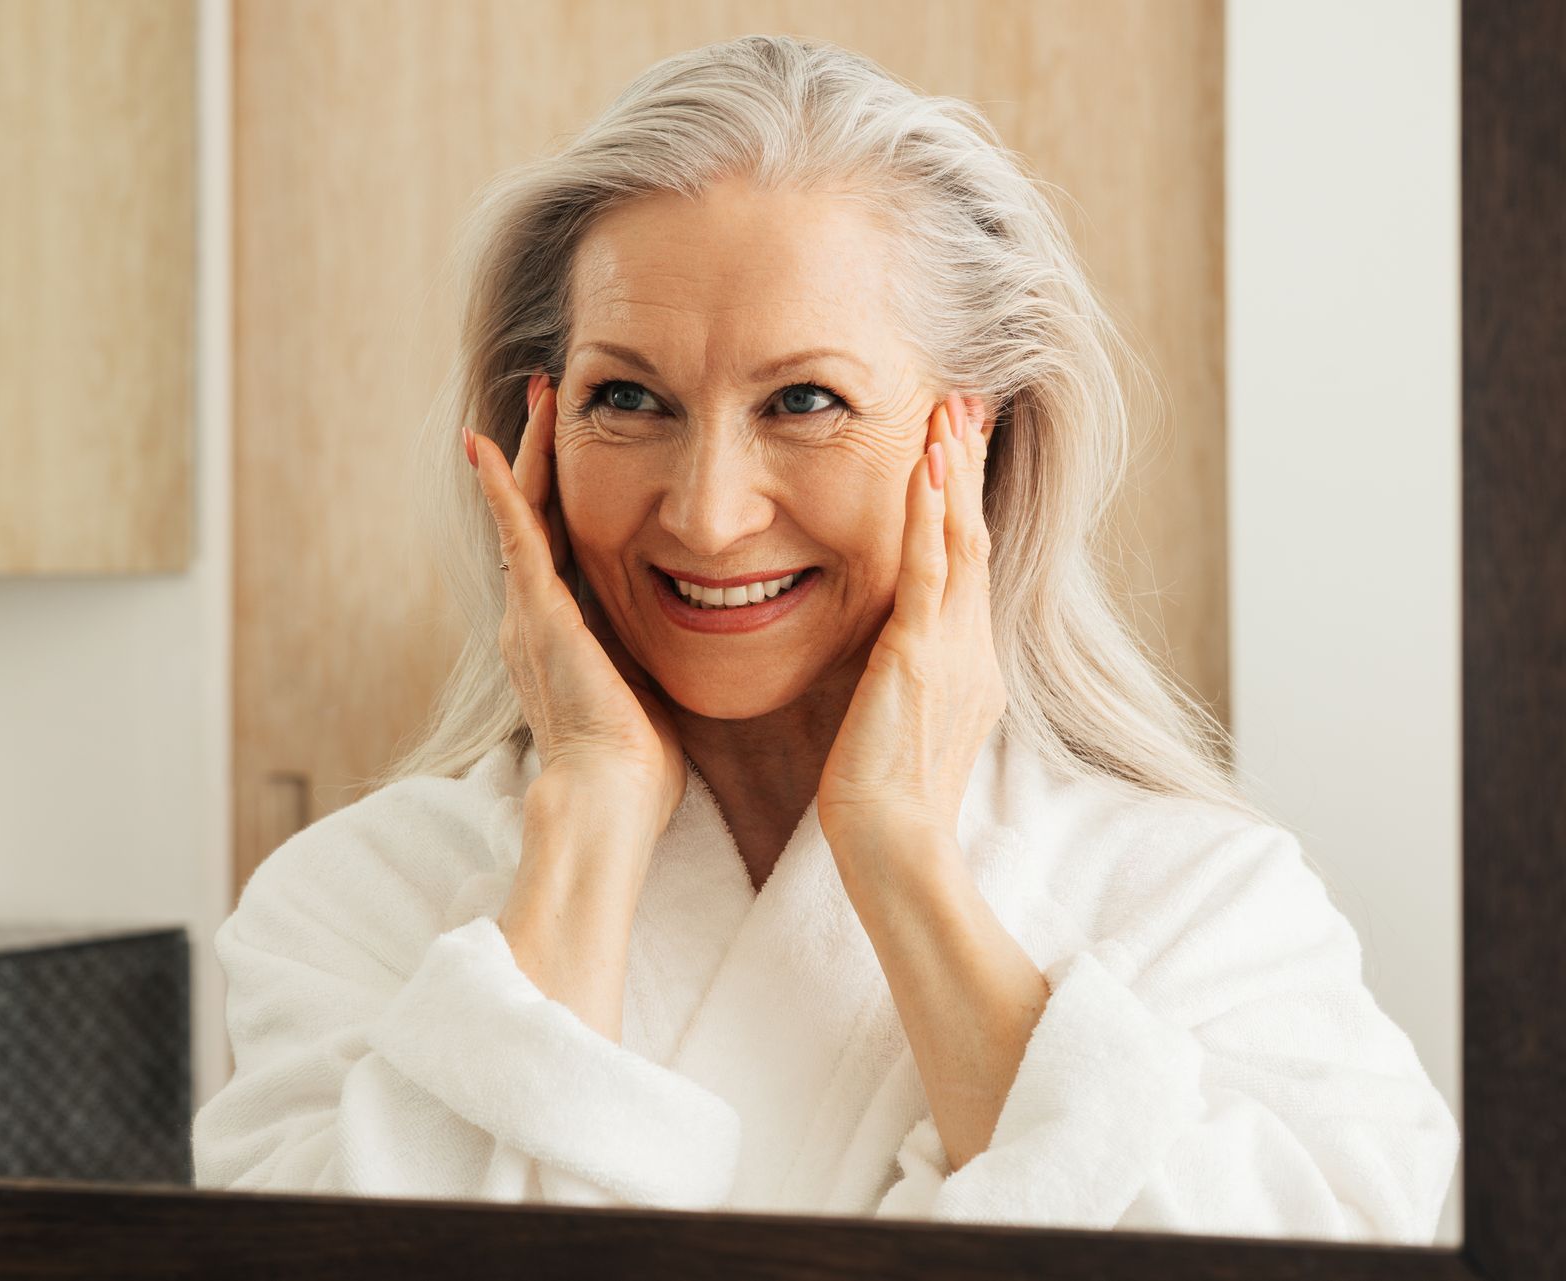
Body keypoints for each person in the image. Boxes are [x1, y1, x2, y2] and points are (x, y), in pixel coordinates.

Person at [192, 33, 1458, 1242]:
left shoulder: (1204, 902)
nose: (708, 510)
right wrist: (585, 822)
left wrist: (904, 854)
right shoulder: (353, 901)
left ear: (979, 444)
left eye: (806, 401)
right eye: (626, 399)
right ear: (535, 440)